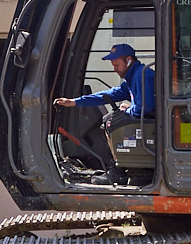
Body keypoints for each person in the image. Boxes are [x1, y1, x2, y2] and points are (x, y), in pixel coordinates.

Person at [54, 44, 155, 184]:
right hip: (148, 119)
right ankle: (119, 167)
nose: (115, 69)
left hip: (151, 122)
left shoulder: (140, 76)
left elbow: (145, 107)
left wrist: (128, 109)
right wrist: (74, 102)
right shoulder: (133, 76)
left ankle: (118, 171)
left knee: (110, 122)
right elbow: (109, 94)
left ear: (129, 60)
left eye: (117, 65)